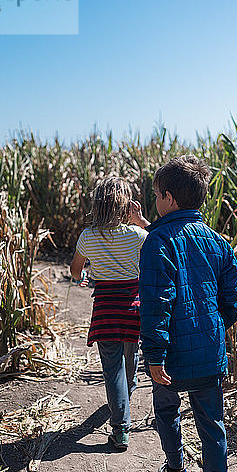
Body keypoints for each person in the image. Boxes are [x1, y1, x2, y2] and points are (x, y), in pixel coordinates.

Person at [139, 156, 237, 472]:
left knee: (167, 411)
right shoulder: (217, 242)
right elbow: (233, 292)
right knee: (212, 424)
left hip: (172, 357)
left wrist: (153, 353)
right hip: (209, 354)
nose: (154, 201)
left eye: (155, 195)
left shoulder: (158, 241)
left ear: (168, 198)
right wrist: (217, 326)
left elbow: (156, 301)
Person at [70, 177, 149, 450]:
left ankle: (120, 429)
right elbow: (160, 246)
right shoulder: (137, 236)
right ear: (125, 205)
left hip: (105, 310)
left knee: (111, 368)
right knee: (131, 353)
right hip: (134, 308)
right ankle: (128, 390)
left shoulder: (87, 236)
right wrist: (140, 221)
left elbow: (75, 269)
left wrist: (81, 277)